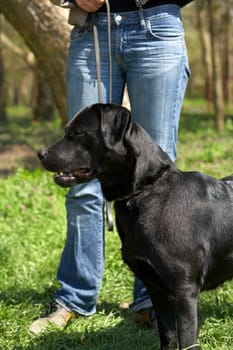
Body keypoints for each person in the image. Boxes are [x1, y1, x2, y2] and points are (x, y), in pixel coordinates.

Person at [29, 0, 193, 334]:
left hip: (156, 28)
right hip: (92, 32)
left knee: (157, 177)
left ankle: (153, 299)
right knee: (80, 174)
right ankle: (75, 297)